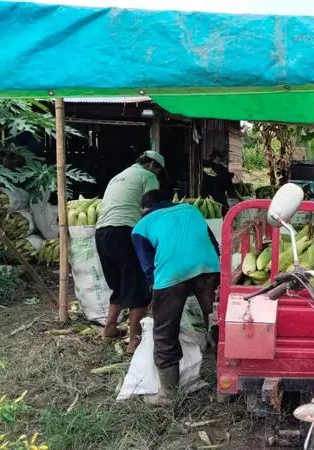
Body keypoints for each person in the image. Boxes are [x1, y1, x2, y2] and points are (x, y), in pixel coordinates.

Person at [131, 189, 220, 405]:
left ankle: (168, 394)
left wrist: (157, 294)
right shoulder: (191, 210)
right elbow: (213, 243)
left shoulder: (140, 227)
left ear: (143, 210)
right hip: (209, 268)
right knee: (219, 320)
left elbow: (148, 267)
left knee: (164, 332)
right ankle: (224, 384)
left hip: (172, 275)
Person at [95, 150, 165, 352]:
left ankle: (109, 328)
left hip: (102, 232)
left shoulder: (119, 176)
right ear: (153, 166)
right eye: (159, 172)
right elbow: (152, 208)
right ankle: (134, 341)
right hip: (125, 231)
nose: (157, 177)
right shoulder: (148, 176)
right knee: (138, 285)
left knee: (120, 283)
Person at [200, 149, 239, 216]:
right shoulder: (222, 170)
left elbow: (210, 179)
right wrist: (232, 193)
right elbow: (228, 185)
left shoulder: (207, 168)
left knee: (207, 217)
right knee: (219, 217)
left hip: (206, 199)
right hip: (218, 200)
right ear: (218, 157)